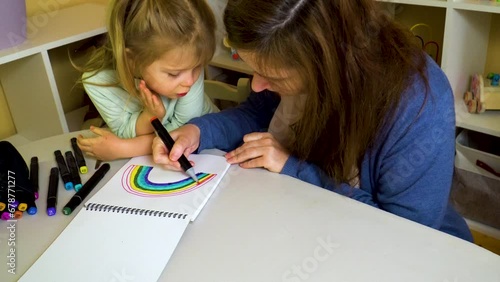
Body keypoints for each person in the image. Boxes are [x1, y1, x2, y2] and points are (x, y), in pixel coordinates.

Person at [151, 0, 473, 241]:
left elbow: (404, 235)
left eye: (272, 76)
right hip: (306, 224)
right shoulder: (296, 54)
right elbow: (257, 113)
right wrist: (198, 131)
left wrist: (294, 168)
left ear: (327, 63)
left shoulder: (419, 105)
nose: (257, 85)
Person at [76, 0, 218, 161]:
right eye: (174, 74)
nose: (190, 81)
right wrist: (149, 116)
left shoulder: (188, 66)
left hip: (211, 147)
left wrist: (124, 148)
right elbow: (124, 131)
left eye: (198, 67)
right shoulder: (97, 81)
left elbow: (186, 131)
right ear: (132, 60)